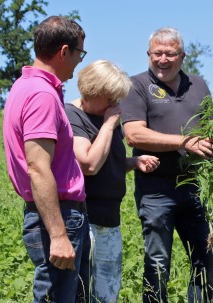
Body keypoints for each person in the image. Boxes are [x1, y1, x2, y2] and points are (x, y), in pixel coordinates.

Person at [120, 27, 213, 303]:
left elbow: (212, 125)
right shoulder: (136, 86)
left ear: (183, 56)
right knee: (158, 263)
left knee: (207, 257)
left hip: (195, 186)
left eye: (170, 53)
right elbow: (134, 134)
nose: (163, 59)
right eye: (157, 53)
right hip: (156, 190)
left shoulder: (198, 84)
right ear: (148, 54)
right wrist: (183, 141)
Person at [2, 16, 90, 303]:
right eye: (79, 53)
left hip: (52, 213)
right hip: (59, 215)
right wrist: (59, 234)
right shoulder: (42, 95)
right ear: (64, 52)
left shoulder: (24, 87)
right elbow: (38, 167)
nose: (79, 63)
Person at [65, 60, 160, 303]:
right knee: (82, 291)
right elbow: (88, 164)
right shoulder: (73, 116)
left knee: (107, 294)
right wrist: (108, 125)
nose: (115, 106)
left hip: (110, 217)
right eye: (110, 99)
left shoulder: (105, 115)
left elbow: (108, 160)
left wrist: (133, 162)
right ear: (91, 92)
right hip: (85, 219)